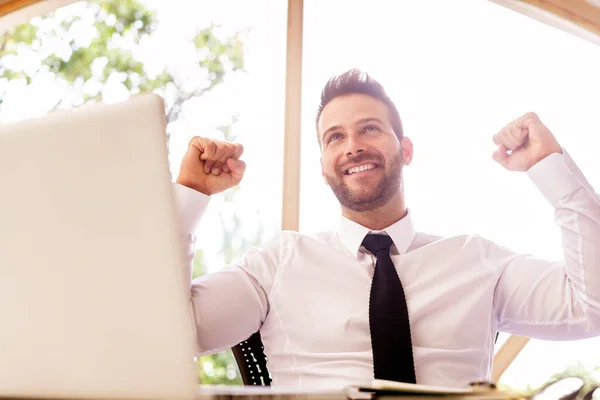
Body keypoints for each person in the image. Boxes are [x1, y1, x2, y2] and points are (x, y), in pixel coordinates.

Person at [172, 69, 600, 389]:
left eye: (370, 129)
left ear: (406, 150)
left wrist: (552, 171)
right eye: (334, 138)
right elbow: (173, 332)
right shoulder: (276, 264)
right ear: (323, 168)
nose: (353, 145)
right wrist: (190, 196)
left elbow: (590, 307)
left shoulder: (477, 261)